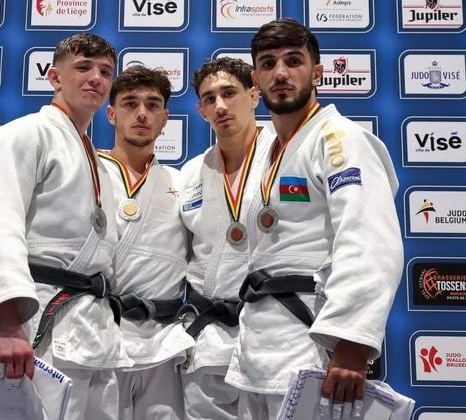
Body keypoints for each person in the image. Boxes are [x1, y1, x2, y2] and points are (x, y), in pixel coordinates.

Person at [224, 19, 404, 420]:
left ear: (317, 72)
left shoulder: (339, 139)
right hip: (260, 345)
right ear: (256, 81)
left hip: (314, 341)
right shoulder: (266, 150)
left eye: (294, 61)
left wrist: (351, 342)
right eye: (268, 64)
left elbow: (369, 241)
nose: (280, 73)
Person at [0, 33, 131, 419]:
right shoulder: (23, 135)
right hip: (42, 324)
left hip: (95, 329)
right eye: (83, 68)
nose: (96, 78)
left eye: (106, 71)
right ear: (55, 77)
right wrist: (6, 323)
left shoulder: (96, 158)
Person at [178, 57, 274, 419]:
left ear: (254, 95)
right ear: (201, 111)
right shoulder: (191, 173)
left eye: (229, 93)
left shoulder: (286, 156)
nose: (220, 106)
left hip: (274, 330)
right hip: (209, 336)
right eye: (209, 98)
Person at [97, 65, 194, 420]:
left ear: (165, 119)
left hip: (162, 342)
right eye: (130, 103)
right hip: (100, 335)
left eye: (153, 105)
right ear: (111, 114)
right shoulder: (89, 172)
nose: (142, 113)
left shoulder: (182, 183)